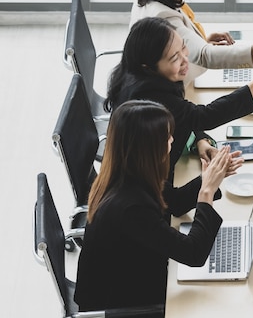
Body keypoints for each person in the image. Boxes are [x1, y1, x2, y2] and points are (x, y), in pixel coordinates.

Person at [105, 17, 253, 215]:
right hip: (156, 201)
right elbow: (203, 116)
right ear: (148, 67)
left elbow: (185, 114)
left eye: (183, 48)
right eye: (174, 58)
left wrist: (200, 141)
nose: (185, 59)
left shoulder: (137, 74)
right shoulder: (149, 99)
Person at [74, 100, 240, 313]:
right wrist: (206, 192)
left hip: (130, 283)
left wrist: (209, 177)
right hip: (122, 307)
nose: (172, 140)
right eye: (167, 137)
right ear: (148, 148)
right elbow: (193, 253)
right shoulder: (130, 208)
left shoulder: (126, 173)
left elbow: (176, 202)